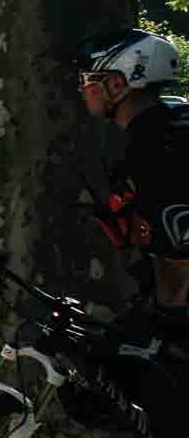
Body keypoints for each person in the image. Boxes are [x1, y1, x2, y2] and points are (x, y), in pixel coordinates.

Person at [77, 29, 189, 308]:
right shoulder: (168, 129)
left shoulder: (154, 151)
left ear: (116, 84)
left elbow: (175, 260)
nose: (82, 88)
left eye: (87, 79)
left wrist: (165, 329)